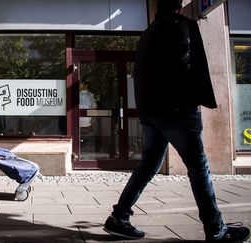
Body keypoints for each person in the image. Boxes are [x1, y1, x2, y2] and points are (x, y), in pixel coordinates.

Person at [103, 1, 251, 242]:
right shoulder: (178, 25)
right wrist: (190, 102)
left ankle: (119, 217)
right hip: (176, 110)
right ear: (179, 5)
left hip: (152, 112)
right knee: (198, 165)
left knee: (149, 165)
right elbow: (183, 64)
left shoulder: (148, 33)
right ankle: (216, 229)